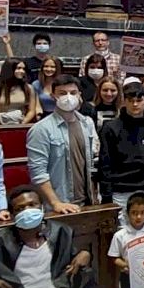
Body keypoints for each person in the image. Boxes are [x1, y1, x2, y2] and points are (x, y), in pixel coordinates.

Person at [26, 75, 99, 214]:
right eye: (62, 93)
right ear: (53, 96)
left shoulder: (87, 123)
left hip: (86, 202)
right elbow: (38, 173)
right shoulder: (41, 129)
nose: (68, 97)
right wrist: (56, 203)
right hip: (59, 205)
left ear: (79, 95)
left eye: (73, 93)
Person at [98, 82, 144, 222]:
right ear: (124, 101)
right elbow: (105, 163)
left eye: (139, 100)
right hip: (120, 190)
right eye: (131, 100)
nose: (135, 104)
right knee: (121, 231)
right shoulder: (110, 128)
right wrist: (106, 195)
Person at [0, 58, 39, 125]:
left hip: (20, 124)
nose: (22, 71)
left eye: (23, 69)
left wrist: (22, 123)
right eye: (18, 68)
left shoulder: (29, 88)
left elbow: (31, 111)